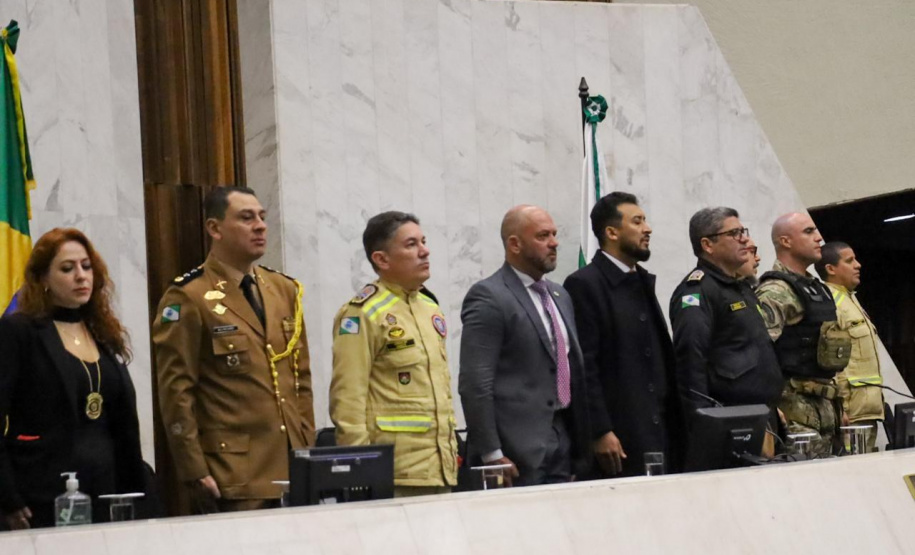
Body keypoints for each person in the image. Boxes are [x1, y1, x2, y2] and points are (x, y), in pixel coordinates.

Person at [153, 187, 315, 513]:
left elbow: (302, 380)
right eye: (246, 218)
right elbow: (177, 392)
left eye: (262, 217)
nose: (260, 226)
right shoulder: (189, 296)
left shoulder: (284, 290)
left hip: (294, 466)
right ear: (215, 229)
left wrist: (307, 445)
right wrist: (193, 469)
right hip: (234, 474)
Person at [0, 228, 145, 529]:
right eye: (67, 268)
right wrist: (7, 498)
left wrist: (137, 491)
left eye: (86, 266)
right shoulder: (19, 332)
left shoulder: (102, 332)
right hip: (40, 494)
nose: (81, 276)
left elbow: (121, 423)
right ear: (42, 279)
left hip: (109, 493)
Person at [459, 205, 590, 486]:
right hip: (514, 452)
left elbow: (571, 370)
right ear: (514, 244)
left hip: (563, 442)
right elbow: (475, 382)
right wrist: (491, 453)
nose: (554, 242)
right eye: (543, 236)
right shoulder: (489, 296)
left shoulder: (560, 294)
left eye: (554, 234)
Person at [330, 211, 458, 497]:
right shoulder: (363, 313)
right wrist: (361, 467)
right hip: (393, 473)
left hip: (439, 468)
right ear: (382, 259)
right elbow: (348, 397)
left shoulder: (429, 307)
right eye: (411, 244)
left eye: (423, 241)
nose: (425, 251)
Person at [563, 192, 684, 477]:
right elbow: (584, 366)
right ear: (612, 232)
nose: (648, 228)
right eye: (638, 221)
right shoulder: (585, 284)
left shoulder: (640, 280)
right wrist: (600, 430)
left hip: (660, 429)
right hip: (621, 436)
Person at [669, 208, 784, 457]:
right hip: (731, 420)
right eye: (734, 233)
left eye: (743, 231)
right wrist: (703, 422)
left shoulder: (739, 287)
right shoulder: (697, 292)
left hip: (760, 415)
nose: (744, 238)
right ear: (707, 244)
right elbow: (691, 360)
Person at [757, 212, 848, 457]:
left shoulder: (817, 288)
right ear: (785, 241)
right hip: (794, 416)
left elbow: (828, 351)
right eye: (808, 232)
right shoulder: (775, 291)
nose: (819, 238)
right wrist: (769, 411)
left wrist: (841, 406)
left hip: (827, 411)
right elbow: (759, 355)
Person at [815, 242, 883, 452]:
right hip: (850, 412)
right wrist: (838, 407)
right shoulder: (831, 303)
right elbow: (828, 361)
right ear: (830, 269)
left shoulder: (849, 300)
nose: (858, 265)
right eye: (849, 260)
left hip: (865, 409)